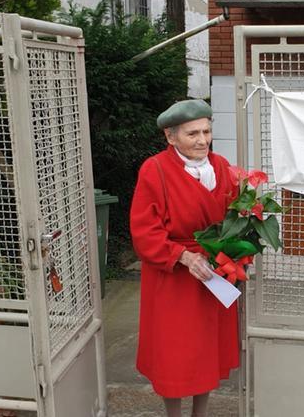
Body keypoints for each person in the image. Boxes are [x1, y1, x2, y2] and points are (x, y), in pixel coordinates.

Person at [129, 99, 239, 417]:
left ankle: (200, 413)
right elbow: (144, 231)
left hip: (214, 273)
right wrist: (184, 257)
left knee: (208, 349)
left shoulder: (221, 166)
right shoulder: (155, 169)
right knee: (173, 352)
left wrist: (239, 248)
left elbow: (234, 216)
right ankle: (174, 414)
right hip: (173, 277)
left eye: (206, 131)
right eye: (192, 134)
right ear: (170, 136)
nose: (202, 140)